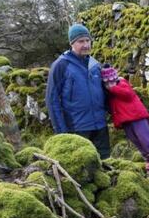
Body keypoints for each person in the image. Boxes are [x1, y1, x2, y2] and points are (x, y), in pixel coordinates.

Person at [45, 24, 111, 159]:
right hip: (77, 127)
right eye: (81, 41)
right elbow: (52, 100)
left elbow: (105, 93)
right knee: (83, 166)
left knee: (106, 162)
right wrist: (62, 132)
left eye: (88, 40)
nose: (86, 44)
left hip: (100, 126)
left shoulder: (94, 64)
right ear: (72, 43)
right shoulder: (61, 65)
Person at [101, 66, 149, 172]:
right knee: (136, 141)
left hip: (137, 116)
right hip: (125, 120)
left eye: (111, 80)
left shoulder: (121, 83)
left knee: (146, 139)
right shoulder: (108, 92)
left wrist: (113, 88)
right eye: (106, 82)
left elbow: (128, 95)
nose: (109, 84)